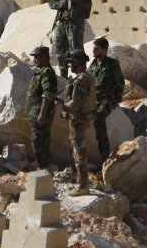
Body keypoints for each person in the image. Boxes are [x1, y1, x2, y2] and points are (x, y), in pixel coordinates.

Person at [57, 51, 95, 196]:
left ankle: (83, 185)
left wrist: (62, 105)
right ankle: (81, 179)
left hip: (78, 119)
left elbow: (76, 103)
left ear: (78, 63)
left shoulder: (80, 80)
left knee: (79, 152)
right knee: (78, 150)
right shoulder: (85, 77)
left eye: (72, 62)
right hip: (81, 118)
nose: (70, 65)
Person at [48, 0, 92, 79]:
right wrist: (60, 4)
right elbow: (51, 2)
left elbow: (88, 4)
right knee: (59, 48)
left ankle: (81, 75)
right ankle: (63, 75)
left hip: (75, 23)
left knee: (76, 50)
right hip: (62, 22)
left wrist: (78, 1)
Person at [88, 37, 124, 160]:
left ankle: (105, 154)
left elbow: (120, 82)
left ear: (104, 49)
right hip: (94, 98)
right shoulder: (93, 64)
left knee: (99, 118)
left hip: (107, 98)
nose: (93, 50)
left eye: (96, 48)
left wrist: (116, 100)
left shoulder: (112, 64)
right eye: (93, 48)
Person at [24, 46, 58, 170]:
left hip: (40, 114)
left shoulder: (47, 73)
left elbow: (47, 95)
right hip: (35, 113)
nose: (34, 60)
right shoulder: (41, 71)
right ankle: (42, 166)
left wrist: (42, 114)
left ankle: (43, 168)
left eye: (37, 57)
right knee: (38, 141)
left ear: (44, 56)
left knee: (40, 142)